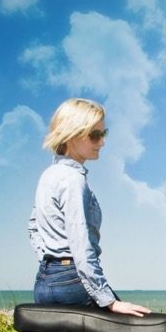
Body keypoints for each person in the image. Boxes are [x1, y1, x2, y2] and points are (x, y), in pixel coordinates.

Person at [28, 97, 150, 317]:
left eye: (103, 134)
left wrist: (52, 260)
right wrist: (109, 301)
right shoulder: (73, 180)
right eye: (95, 135)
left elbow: (33, 228)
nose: (101, 142)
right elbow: (80, 245)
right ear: (71, 134)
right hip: (73, 282)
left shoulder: (48, 175)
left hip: (44, 282)